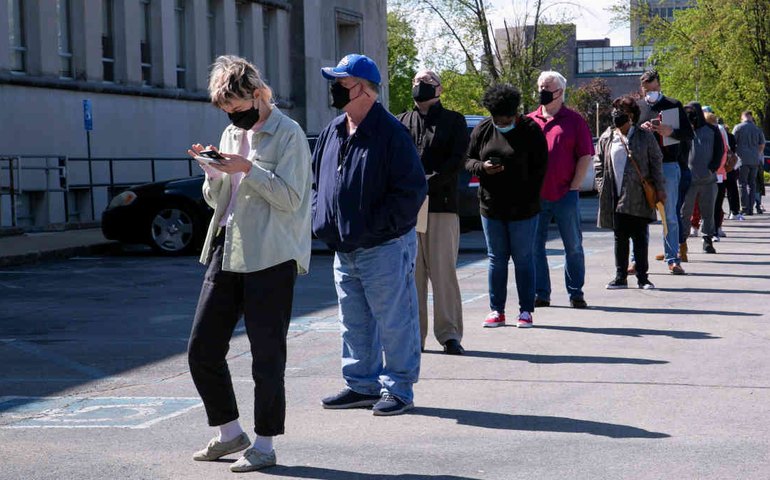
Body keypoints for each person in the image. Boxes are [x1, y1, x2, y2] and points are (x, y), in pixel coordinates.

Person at [186, 55, 312, 473]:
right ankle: (229, 433)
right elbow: (217, 200)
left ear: (259, 95)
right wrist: (213, 173)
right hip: (229, 246)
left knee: (266, 356)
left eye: (239, 110)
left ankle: (264, 444)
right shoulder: (228, 131)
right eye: (228, 112)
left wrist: (247, 169)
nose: (234, 119)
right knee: (202, 348)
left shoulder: (288, 133)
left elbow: (293, 199)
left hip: (271, 256)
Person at [313, 54, 427, 416]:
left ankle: (399, 388)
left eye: (341, 82)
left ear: (362, 89)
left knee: (395, 320)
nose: (334, 89)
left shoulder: (392, 132)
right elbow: (318, 182)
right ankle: (361, 384)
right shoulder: (333, 130)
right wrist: (322, 219)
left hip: (384, 247)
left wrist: (377, 228)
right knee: (354, 321)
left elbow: (411, 192)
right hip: (344, 248)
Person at [397, 70, 468, 355]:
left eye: (425, 82)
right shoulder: (400, 121)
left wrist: (428, 180)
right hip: (409, 210)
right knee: (412, 276)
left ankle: (449, 334)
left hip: (441, 204)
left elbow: (456, 160)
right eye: (415, 81)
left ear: (439, 89)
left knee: (443, 273)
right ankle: (416, 336)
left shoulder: (454, 121)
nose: (418, 85)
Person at [466, 84, 548, 329]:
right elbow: (467, 160)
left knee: (523, 259)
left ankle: (525, 311)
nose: (501, 123)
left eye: (506, 120)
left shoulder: (531, 130)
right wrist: (483, 168)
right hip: (491, 207)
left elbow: (540, 169)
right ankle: (496, 310)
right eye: (497, 119)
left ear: (515, 114)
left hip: (523, 209)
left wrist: (525, 192)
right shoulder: (483, 129)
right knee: (496, 259)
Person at [527, 71, 593, 310]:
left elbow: (585, 155)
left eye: (548, 87)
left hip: (565, 194)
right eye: (541, 86)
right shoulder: (529, 121)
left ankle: (576, 292)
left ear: (560, 92)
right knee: (535, 247)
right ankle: (541, 293)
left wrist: (575, 185)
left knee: (573, 246)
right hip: (535, 196)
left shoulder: (574, 121)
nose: (543, 90)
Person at [595, 96, 665, 289]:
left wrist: (660, 188)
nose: (617, 114)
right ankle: (620, 276)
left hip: (639, 194)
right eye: (616, 110)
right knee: (620, 237)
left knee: (640, 236)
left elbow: (656, 163)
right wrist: (601, 185)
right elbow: (598, 163)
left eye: (622, 111)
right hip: (614, 195)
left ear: (632, 116)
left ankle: (643, 277)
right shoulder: (607, 136)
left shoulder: (644, 136)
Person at [637, 70, 693, 275]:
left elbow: (689, 134)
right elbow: (628, 134)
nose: (650, 93)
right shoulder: (638, 106)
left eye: (653, 88)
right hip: (643, 167)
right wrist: (640, 129)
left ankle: (673, 258)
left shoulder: (673, 105)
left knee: (669, 215)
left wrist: (670, 132)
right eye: (646, 89)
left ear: (659, 86)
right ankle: (637, 261)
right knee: (641, 215)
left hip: (668, 164)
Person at [680, 102, 723, 254]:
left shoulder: (712, 130)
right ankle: (682, 241)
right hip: (688, 180)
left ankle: (707, 240)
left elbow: (719, 150)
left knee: (708, 212)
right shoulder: (684, 131)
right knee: (685, 212)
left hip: (708, 180)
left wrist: (712, 168)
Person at [732, 111, 767, 216]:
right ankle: (751, 208)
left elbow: (732, 143)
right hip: (754, 159)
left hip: (742, 159)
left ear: (742, 117)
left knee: (742, 184)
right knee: (752, 184)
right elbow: (762, 144)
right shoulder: (757, 129)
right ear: (751, 117)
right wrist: (757, 153)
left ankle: (745, 207)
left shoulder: (738, 128)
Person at [704, 112, 729, 239]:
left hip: (716, 174)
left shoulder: (718, 132)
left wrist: (714, 168)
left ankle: (715, 229)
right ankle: (714, 229)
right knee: (715, 203)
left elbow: (724, 152)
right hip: (716, 174)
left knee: (716, 203)